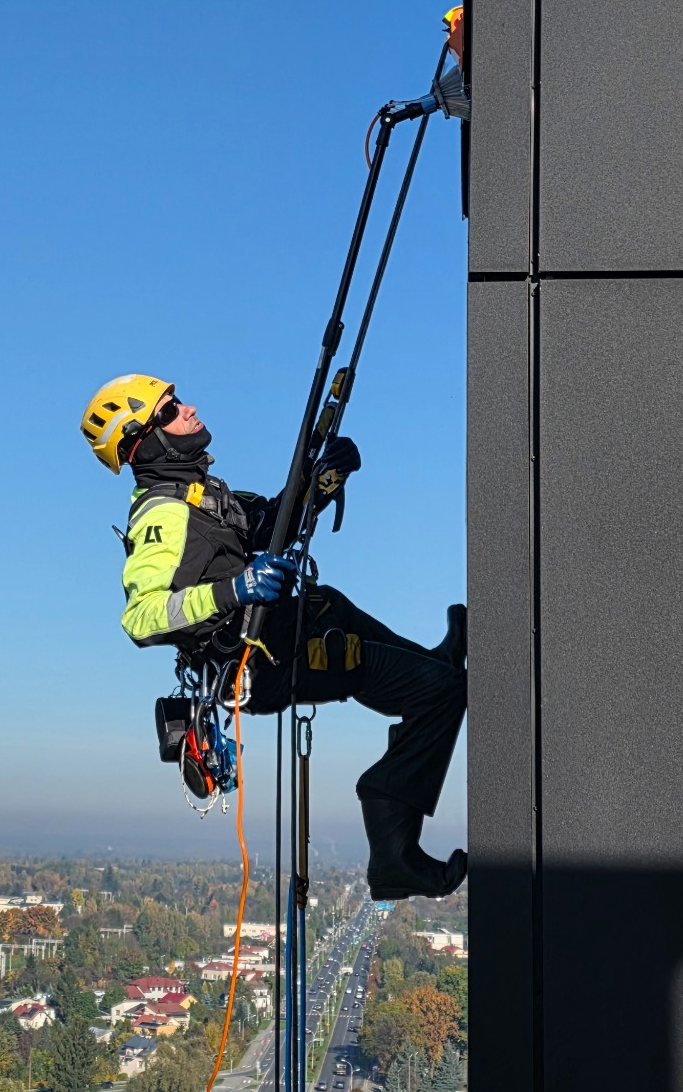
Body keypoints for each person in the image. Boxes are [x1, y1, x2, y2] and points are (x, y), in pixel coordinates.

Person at [80, 374, 466, 900]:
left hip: (282, 637)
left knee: (328, 603)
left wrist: (318, 482)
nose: (189, 408)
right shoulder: (161, 514)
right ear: (145, 441)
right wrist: (235, 590)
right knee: (441, 694)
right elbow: (142, 616)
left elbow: (270, 523)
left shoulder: (200, 494)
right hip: (262, 664)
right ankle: (392, 849)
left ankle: (430, 662)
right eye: (170, 409)